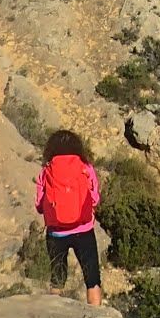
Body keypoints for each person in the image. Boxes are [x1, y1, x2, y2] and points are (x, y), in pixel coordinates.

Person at [36, 130, 103, 305]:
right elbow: (95, 198)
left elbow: (39, 205)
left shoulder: (46, 171)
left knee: (57, 277)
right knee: (92, 279)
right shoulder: (86, 168)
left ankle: (53, 316)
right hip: (84, 231)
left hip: (56, 233)